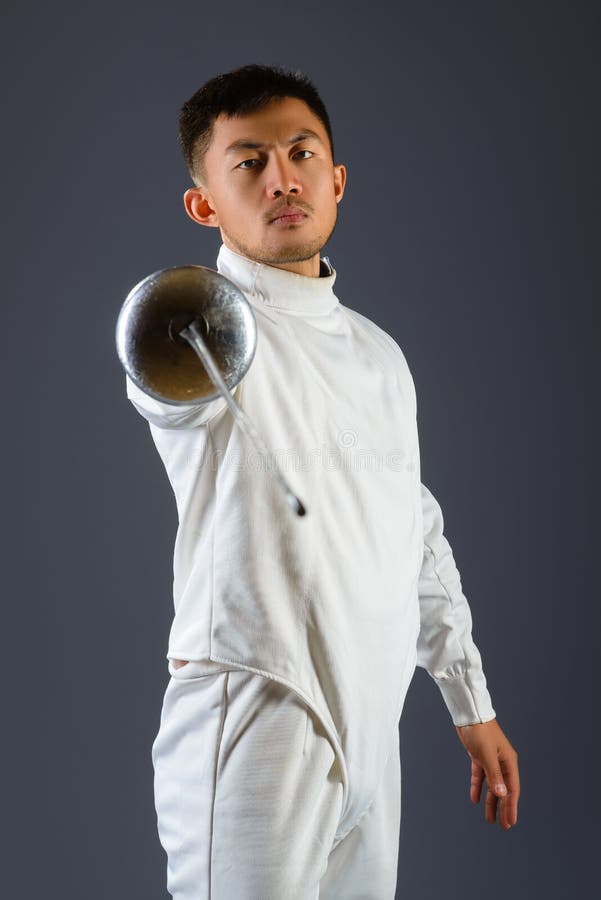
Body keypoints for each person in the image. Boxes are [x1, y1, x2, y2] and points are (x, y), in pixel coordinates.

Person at [124, 64, 520, 899]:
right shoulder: (204, 326)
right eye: (248, 162)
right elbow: (162, 369)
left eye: (301, 153)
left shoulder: (380, 356)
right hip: (256, 712)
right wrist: (162, 337)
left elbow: (412, 530)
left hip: (372, 728)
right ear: (205, 205)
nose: (281, 178)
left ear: (335, 180)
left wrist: (469, 700)